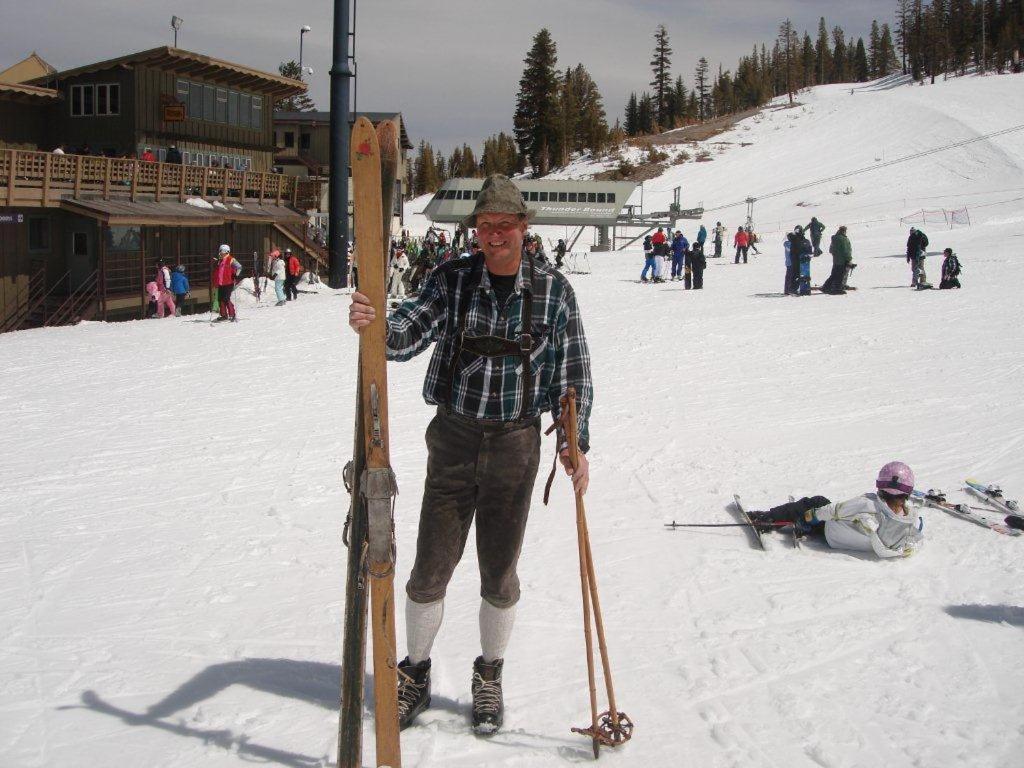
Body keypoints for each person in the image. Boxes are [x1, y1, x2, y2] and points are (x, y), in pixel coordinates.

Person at [347, 174, 593, 735]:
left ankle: (489, 673)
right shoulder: (453, 279)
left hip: (515, 444)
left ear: (523, 229)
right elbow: (410, 329)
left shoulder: (554, 292)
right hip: (454, 441)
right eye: (484, 225)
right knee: (429, 569)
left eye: (504, 225)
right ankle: (416, 670)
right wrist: (375, 323)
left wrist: (574, 444)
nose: (493, 235)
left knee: (499, 572)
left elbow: (573, 375)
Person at [746, 462, 924, 559]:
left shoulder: (868, 504)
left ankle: (766, 520)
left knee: (815, 502)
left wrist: (811, 517)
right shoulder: (909, 519)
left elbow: (834, 510)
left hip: (831, 533)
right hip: (853, 542)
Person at [213, 244, 242, 322]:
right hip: (221, 283)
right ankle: (223, 315)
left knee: (226, 298)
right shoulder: (220, 260)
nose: (219, 253)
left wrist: (236, 275)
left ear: (225, 251)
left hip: (228, 282)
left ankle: (232, 314)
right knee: (220, 299)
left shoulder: (231, 259)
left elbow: (239, 267)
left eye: (221, 251)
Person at [821, 226, 853, 295]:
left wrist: (836, 255)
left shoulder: (834, 239)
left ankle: (825, 287)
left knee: (834, 274)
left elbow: (831, 250)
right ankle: (837, 289)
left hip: (836, 260)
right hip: (842, 261)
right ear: (844, 231)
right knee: (840, 275)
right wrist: (849, 259)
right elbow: (846, 251)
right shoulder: (844, 239)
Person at [786, 226, 812, 295]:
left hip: (801, 259)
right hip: (796, 259)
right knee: (796, 274)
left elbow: (808, 248)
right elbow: (791, 237)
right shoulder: (794, 239)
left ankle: (801, 288)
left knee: (801, 274)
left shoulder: (802, 239)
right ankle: (793, 289)